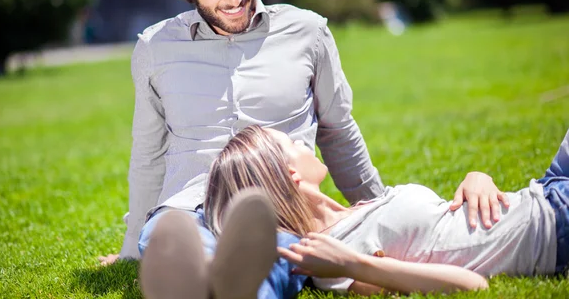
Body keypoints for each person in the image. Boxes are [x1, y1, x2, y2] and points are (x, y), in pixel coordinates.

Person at [99, 0, 509, 298]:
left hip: (276, 206)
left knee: (275, 253)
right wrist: (132, 244)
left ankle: (233, 288)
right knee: (177, 236)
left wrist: (375, 206)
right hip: (190, 204)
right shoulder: (156, 48)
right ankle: (199, 279)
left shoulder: (307, 32)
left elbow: (337, 130)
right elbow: (149, 152)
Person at [202, 125, 568, 295]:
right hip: (552, 224)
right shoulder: (333, 256)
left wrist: (478, 177)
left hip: (545, 188)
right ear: (290, 174)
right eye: (290, 142)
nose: (302, 141)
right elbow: (473, 285)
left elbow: (447, 222)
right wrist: (353, 265)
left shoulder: (356, 211)